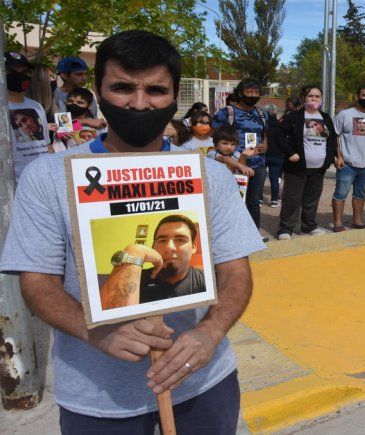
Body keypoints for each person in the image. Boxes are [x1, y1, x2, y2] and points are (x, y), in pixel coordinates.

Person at [0, 30, 264, 433]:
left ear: (175, 95)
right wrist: (97, 331)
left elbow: (236, 272)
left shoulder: (209, 174)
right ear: (97, 90)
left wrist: (210, 332)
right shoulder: (47, 176)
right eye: (122, 87)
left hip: (203, 384)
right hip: (98, 400)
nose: (139, 103)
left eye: (155, 90)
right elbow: (36, 282)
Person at [100, 215, 206, 309]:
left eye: (180, 240)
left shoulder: (206, 280)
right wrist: (134, 251)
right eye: (162, 240)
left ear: (194, 247)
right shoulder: (137, 279)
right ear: (152, 247)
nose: (169, 247)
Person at [276, 84, 338, 239]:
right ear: (304, 98)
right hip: (297, 167)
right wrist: (290, 153)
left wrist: (334, 156)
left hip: (319, 168)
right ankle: (285, 228)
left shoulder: (325, 117)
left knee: (311, 198)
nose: (314, 99)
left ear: (322, 99)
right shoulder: (294, 117)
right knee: (292, 198)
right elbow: (279, 136)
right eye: (311, 96)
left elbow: (332, 139)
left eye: (317, 96)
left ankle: (308, 226)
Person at [212, 78, 269, 228]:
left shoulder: (262, 114)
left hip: (258, 165)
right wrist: (227, 158)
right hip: (234, 165)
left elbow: (266, 133)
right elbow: (215, 135)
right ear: (240, 93)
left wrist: (265, 144)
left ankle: (254, 234)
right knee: (234, 200)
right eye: (249, 92)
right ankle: (233, 232)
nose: (253, 95)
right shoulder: (226, 113)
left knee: (254, 201)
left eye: (256, 92)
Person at [331, 83, 365, 232]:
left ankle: (357, 221)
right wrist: (338, 157)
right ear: (358, 96)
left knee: (360, 194)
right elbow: (334, 136)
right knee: (340, 193)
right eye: (364, 95)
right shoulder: (345, 114)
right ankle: (338, 223)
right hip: (347, 164)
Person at [6, 51, 51, 182]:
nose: (19, 76)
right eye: (12, 71)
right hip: (13, 185)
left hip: (42, 179)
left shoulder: (36, 106)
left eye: (24, 71)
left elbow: (46, 144)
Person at [54, 56, 105, 131]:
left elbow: (95, 122)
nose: (84, 78)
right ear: (64, 75)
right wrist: (86, 122)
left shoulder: (87, 94)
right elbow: (63, 128)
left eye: (86, 74)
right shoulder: (55, 95)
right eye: (79, 74)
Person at [263, 103, 284, 208]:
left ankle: (258, 198)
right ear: (275, 112)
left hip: (264, 154)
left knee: (261, 178)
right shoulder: (281, 125)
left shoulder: (263, 126)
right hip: (278, 156)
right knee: (274, 179)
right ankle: (274, 200)